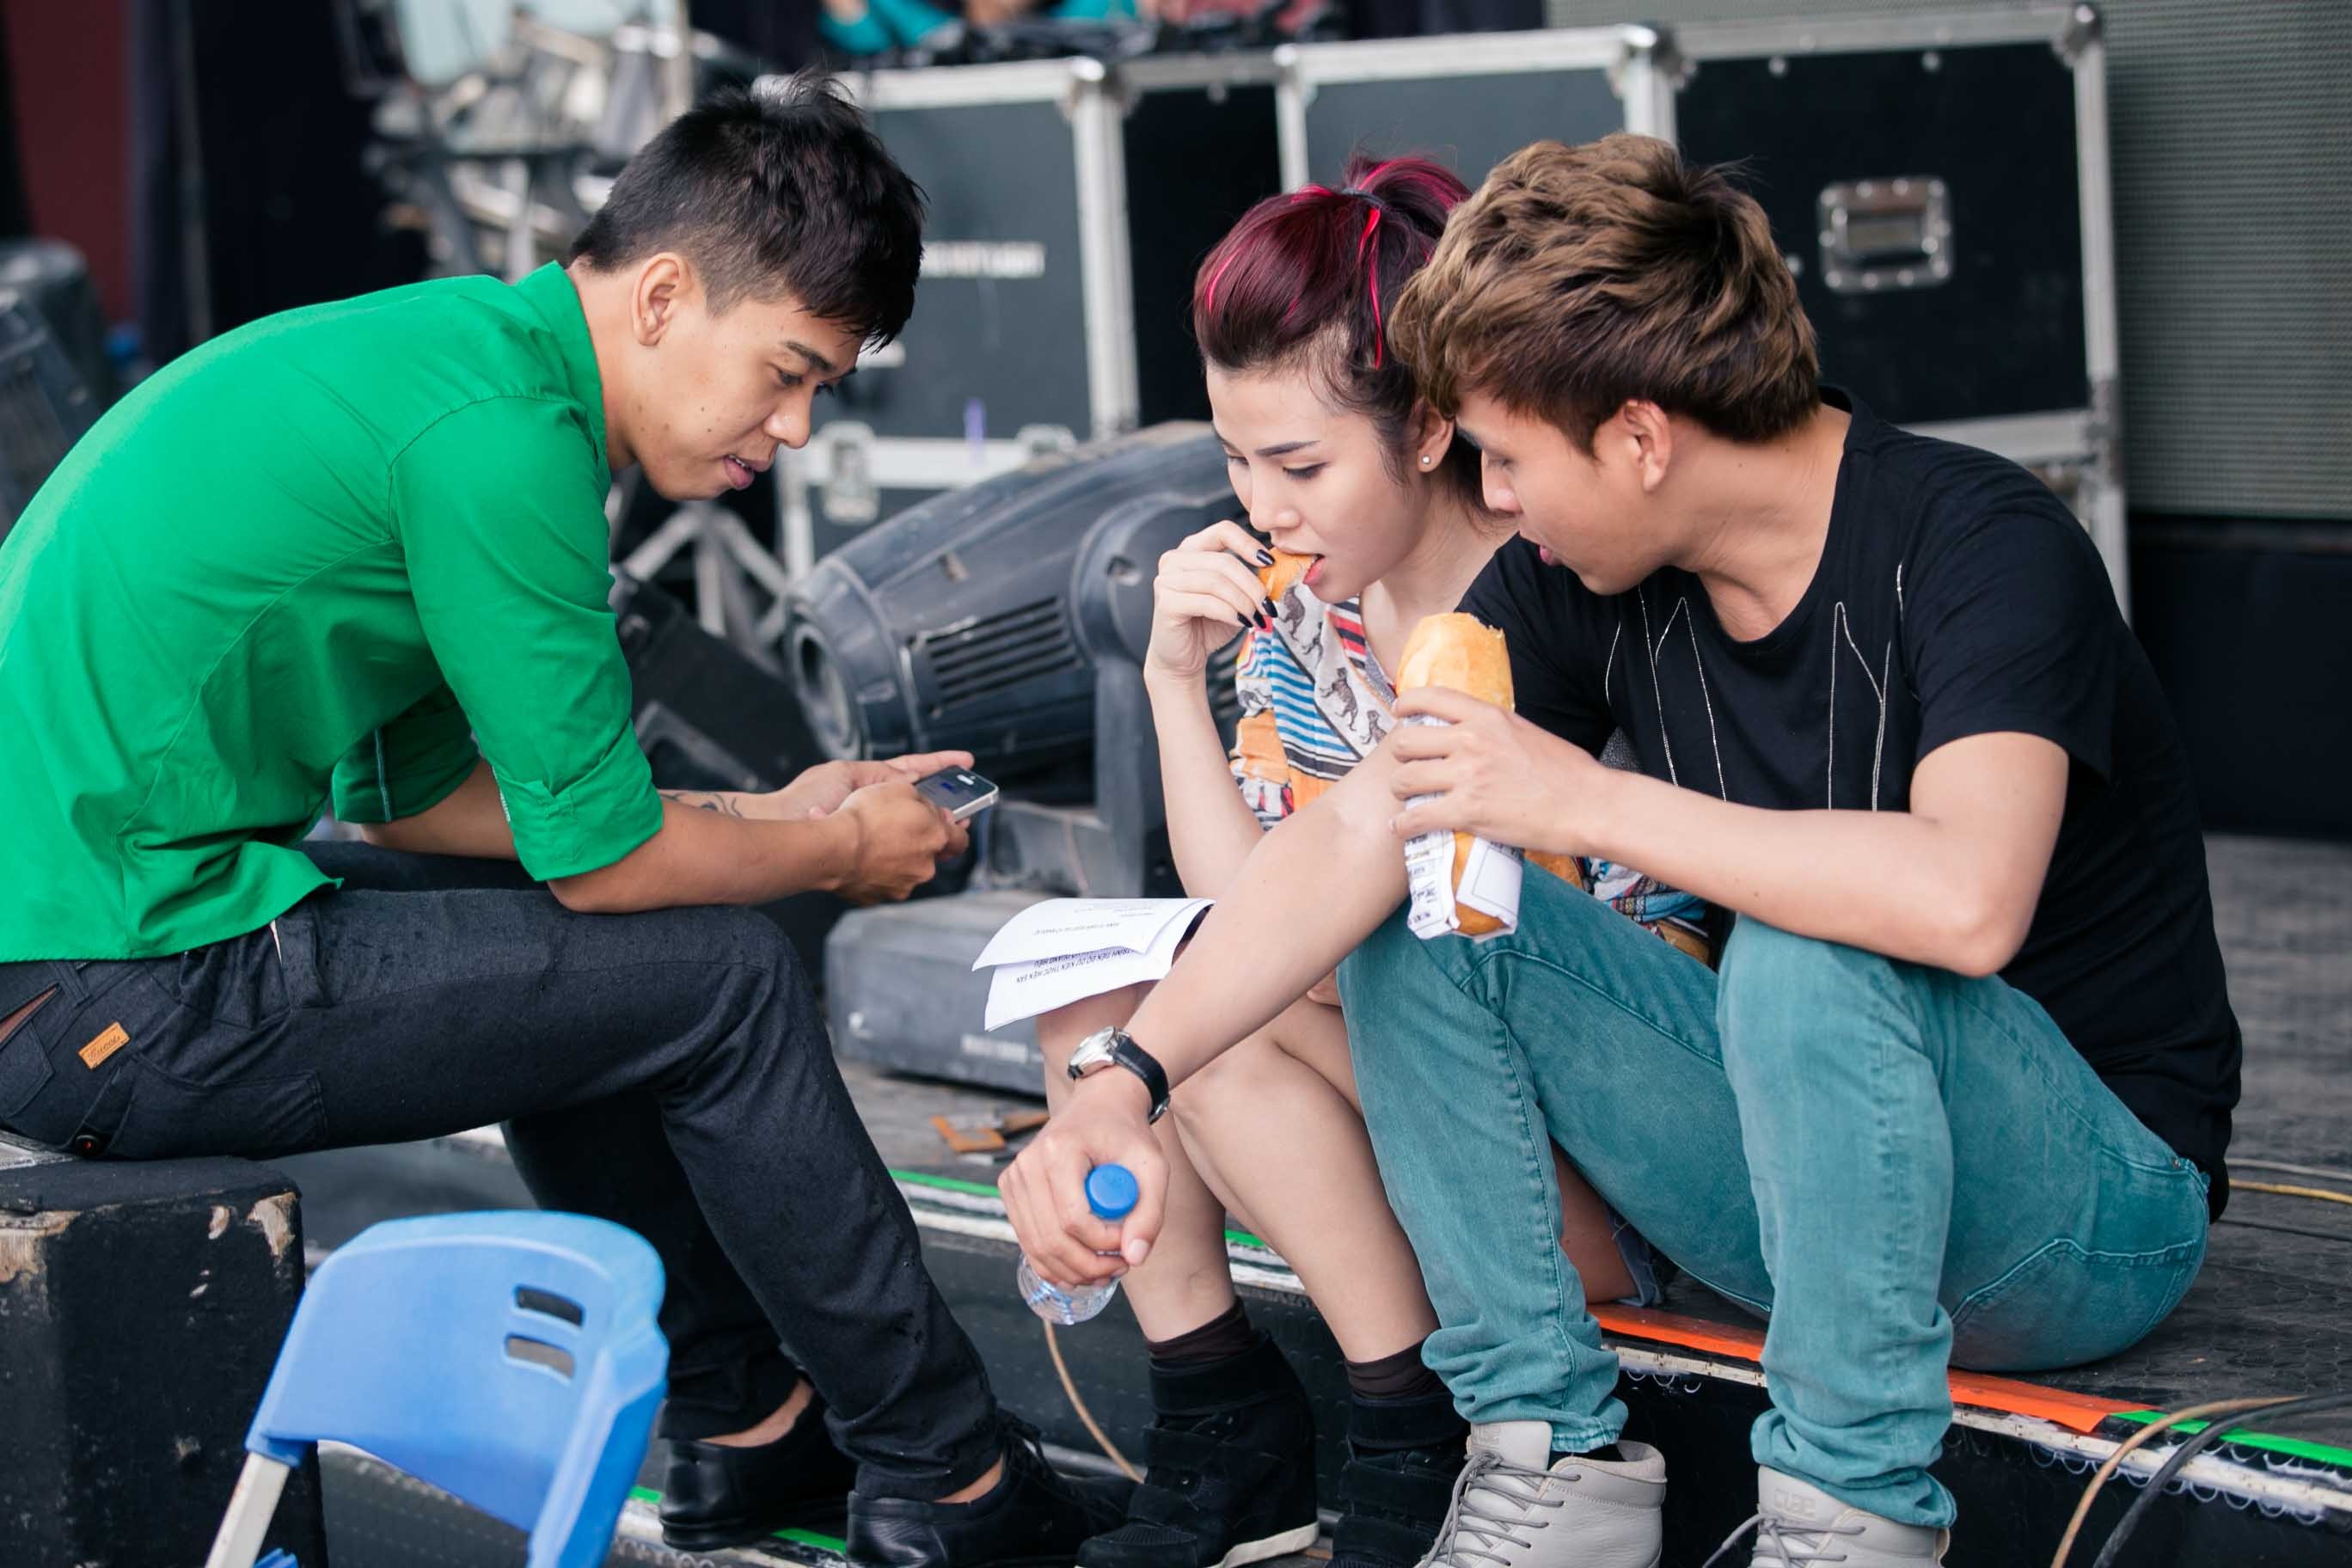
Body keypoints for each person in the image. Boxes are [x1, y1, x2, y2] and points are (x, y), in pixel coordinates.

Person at [1002, 134, 2239, 1568]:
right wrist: (1122, 1082)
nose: (1496, 498)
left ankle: (1846, 1520)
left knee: (1811, 946)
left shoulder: (1980, 543)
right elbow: (1349, 834)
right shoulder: (1584, 580)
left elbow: (1966, 899)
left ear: (1641, 439)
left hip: (2082, 1217)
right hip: (1799, 1192)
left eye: (1509, 455)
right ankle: (1549, 1475)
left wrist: (1578, 801)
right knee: (1418, 896)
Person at [0, 76, 1130, 1566]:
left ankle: (749, 1430)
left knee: (611, 965)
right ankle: (951, 1477)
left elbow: (415, 804)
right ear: (663, 296)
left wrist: (770, 807)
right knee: (722, 980)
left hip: (82, 968)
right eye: (788, 371)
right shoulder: (505, 433)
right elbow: (603, 861)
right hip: (121, 985)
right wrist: (840, 849)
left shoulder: (455, 365)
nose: (795, 427)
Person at [1014, 154, 1700, 1568]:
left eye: (1300, 465)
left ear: (1433, 427)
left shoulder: (1572, 599)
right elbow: (1241, 913)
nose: (1262, 505)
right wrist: (1171, 682)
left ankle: (1405, 1430)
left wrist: (1286, 967)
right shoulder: (1303, 618)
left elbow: (1614, 995)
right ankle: (1223, 1421)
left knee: (1214, 1024)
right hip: (1406, 1121)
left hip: (1589, 1180)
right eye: (1233, 461)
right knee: (1100, 1005)